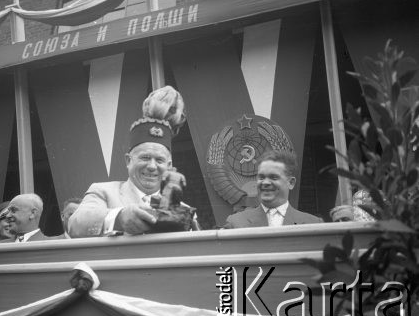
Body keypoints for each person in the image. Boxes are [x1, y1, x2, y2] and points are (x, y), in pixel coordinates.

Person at [68, 85, 196, 237]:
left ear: (169, 166)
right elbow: (76, 225)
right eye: (145, 157)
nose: (152, 166)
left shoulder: (182, 210)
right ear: (128, 160)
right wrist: (119, 218)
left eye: (160, 160)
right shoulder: (104, 192)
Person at [223, 150, 322, 228]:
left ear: (291, 183)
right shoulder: (236, 223)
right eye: (261, 177)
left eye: (273, 177)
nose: (265, 182)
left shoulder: (313, 224)